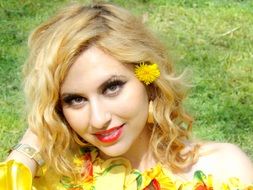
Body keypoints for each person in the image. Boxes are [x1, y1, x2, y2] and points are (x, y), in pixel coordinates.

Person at [1, 2, 253, 190]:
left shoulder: (222, 170)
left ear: (148, 80)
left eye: (112, 87)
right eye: (75, 99)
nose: (98, 119)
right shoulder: (56, 180)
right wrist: (29, 146)